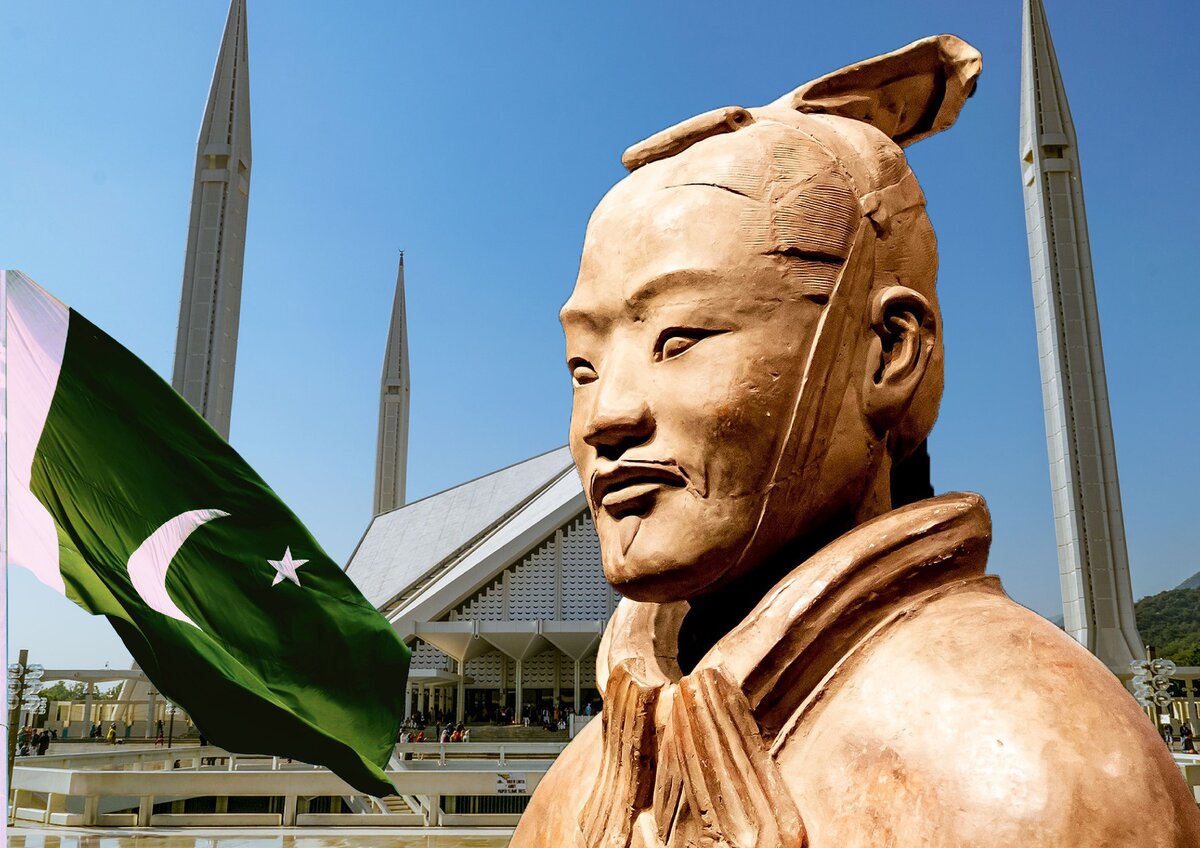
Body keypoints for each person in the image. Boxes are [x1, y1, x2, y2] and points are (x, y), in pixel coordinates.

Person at [511, 34, 1200, 848]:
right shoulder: (572, 792)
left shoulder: (1034, 781)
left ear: (890, 351)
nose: (605, 415)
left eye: (681, 338)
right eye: (583, 368)